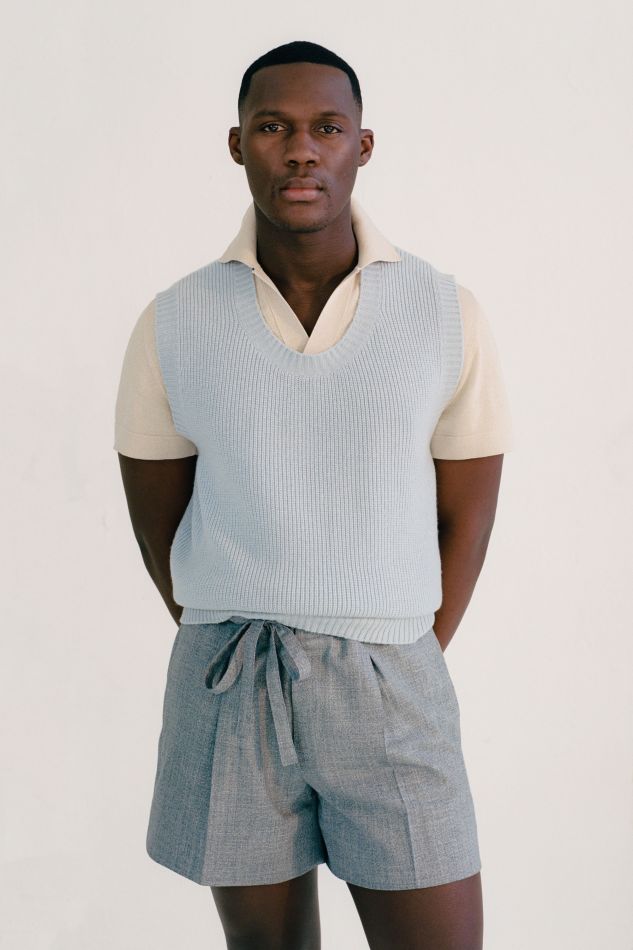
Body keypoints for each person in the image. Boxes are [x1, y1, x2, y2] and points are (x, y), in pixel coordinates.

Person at [114, 39, 513, 950]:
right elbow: (157, 519)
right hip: (230, 678)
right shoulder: (173, 321)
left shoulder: (443, 313)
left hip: (390, 680)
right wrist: (232, 614)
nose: (300, 150)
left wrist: (392, 646)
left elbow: (467, 514)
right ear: (236, 144)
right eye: (273, 127)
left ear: (361, 146)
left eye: (326, 128)